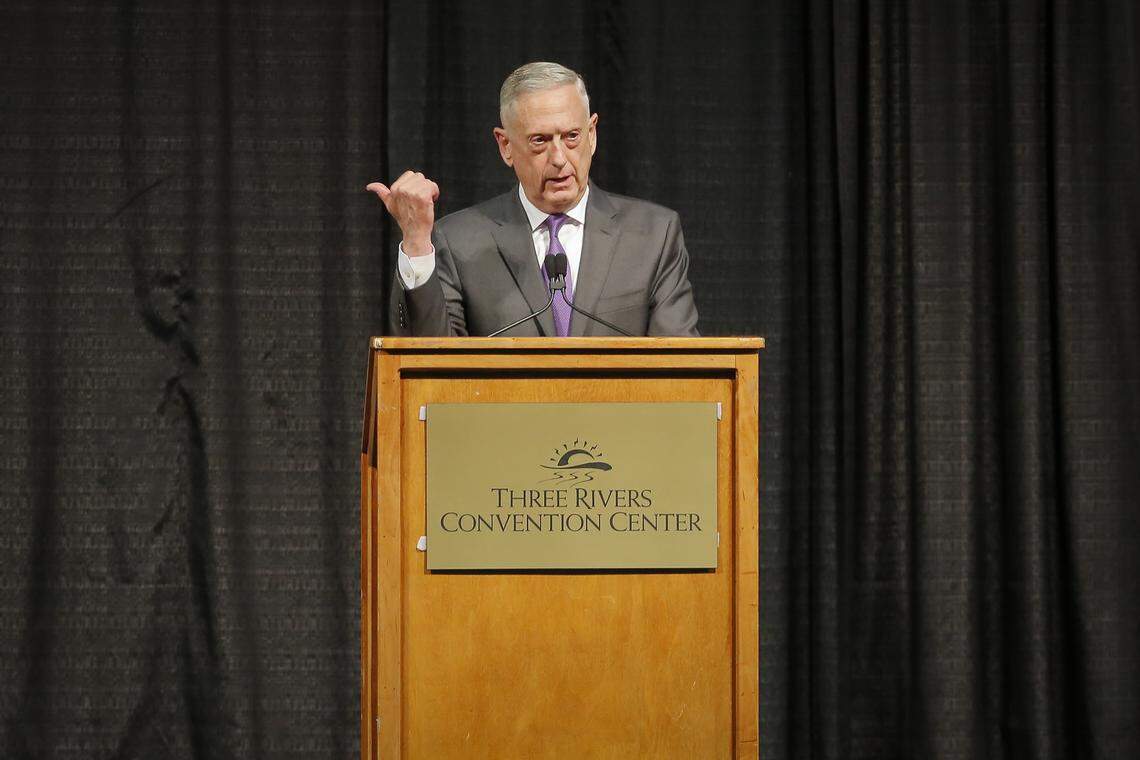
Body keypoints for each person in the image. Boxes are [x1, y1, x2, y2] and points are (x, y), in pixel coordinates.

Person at [367, 61, 700, 337]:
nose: (559, 158)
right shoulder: (458, 241)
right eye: (540, 140)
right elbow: (428, 364)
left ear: (592, 134)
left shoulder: (653, 235)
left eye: (571, 136)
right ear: (506, 146)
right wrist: (415, 244)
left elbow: (682, 369)